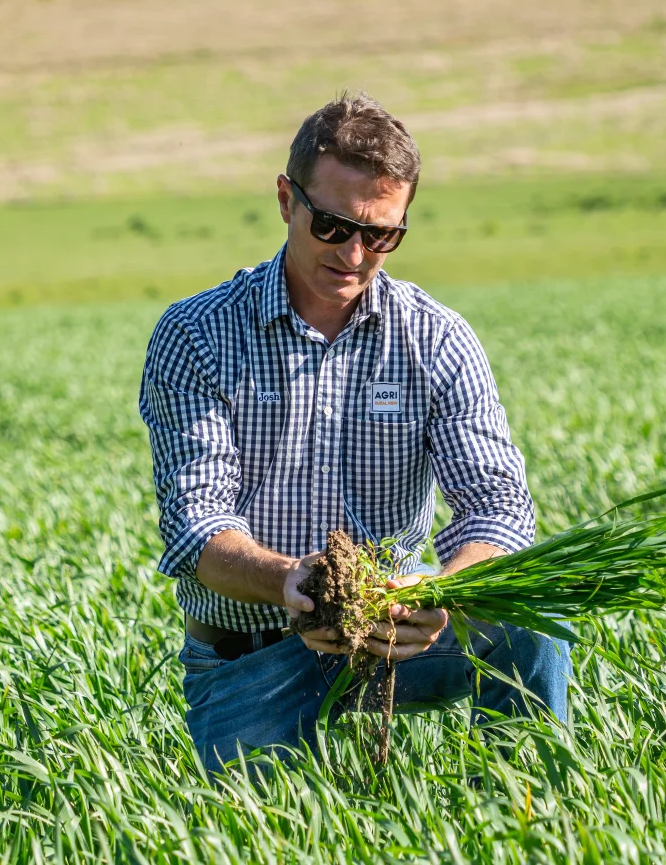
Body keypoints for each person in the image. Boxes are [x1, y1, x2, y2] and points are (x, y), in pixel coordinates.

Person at [139, 92, 569, 772]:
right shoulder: (198, 336)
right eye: (334, 227)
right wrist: (291, 582)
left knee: (532, 616)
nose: (356, 253)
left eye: (382, 235)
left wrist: (442, 595)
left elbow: (499, 508)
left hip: (399, 633)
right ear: (287, 201)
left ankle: (528, 818)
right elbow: (195, 528)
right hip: (252, 653)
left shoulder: (435, 338)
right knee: (259, 838)